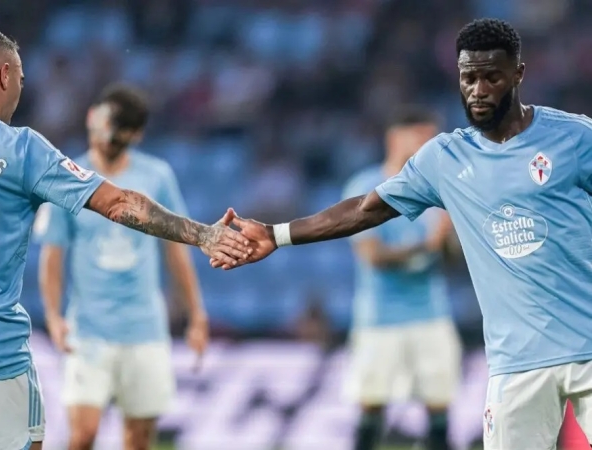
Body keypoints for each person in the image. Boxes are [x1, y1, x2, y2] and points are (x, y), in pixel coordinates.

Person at [0, 20, 251, 450]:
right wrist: (202, 235)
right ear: (5, 75)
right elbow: (118, 203)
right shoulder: (23, 149)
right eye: (21, 79)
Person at [214, 18, 592, 449]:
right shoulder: (446, 158)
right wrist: (276, 234)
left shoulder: (574, 137)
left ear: (518, 74)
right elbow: (363, 209)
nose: (479, 90)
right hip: (516, 363)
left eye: (492, 77)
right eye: (469, 78)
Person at [34, 85, 209, 450]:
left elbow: (176, 251)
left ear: (134, 135)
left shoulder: (156, 176)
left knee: (139, 439)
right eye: (102, 129)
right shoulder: (68, 178)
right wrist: (53, 314)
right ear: (91, 118)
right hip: (88, 329)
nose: (105, 140)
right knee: (82, 435)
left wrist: (196, 314)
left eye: (116, 135)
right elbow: (53, 253)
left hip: (144, 328)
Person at [342, 108, 460, 450]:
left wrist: (450, 239)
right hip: (380, 317)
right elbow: (372, 256)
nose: (429, 145)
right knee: (371, 405)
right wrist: (427, 245)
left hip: (432, 313)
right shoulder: (365, 187)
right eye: (422, 136)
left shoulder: (439, 190)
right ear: (395, 138)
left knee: (439, 406)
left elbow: (452, 262)